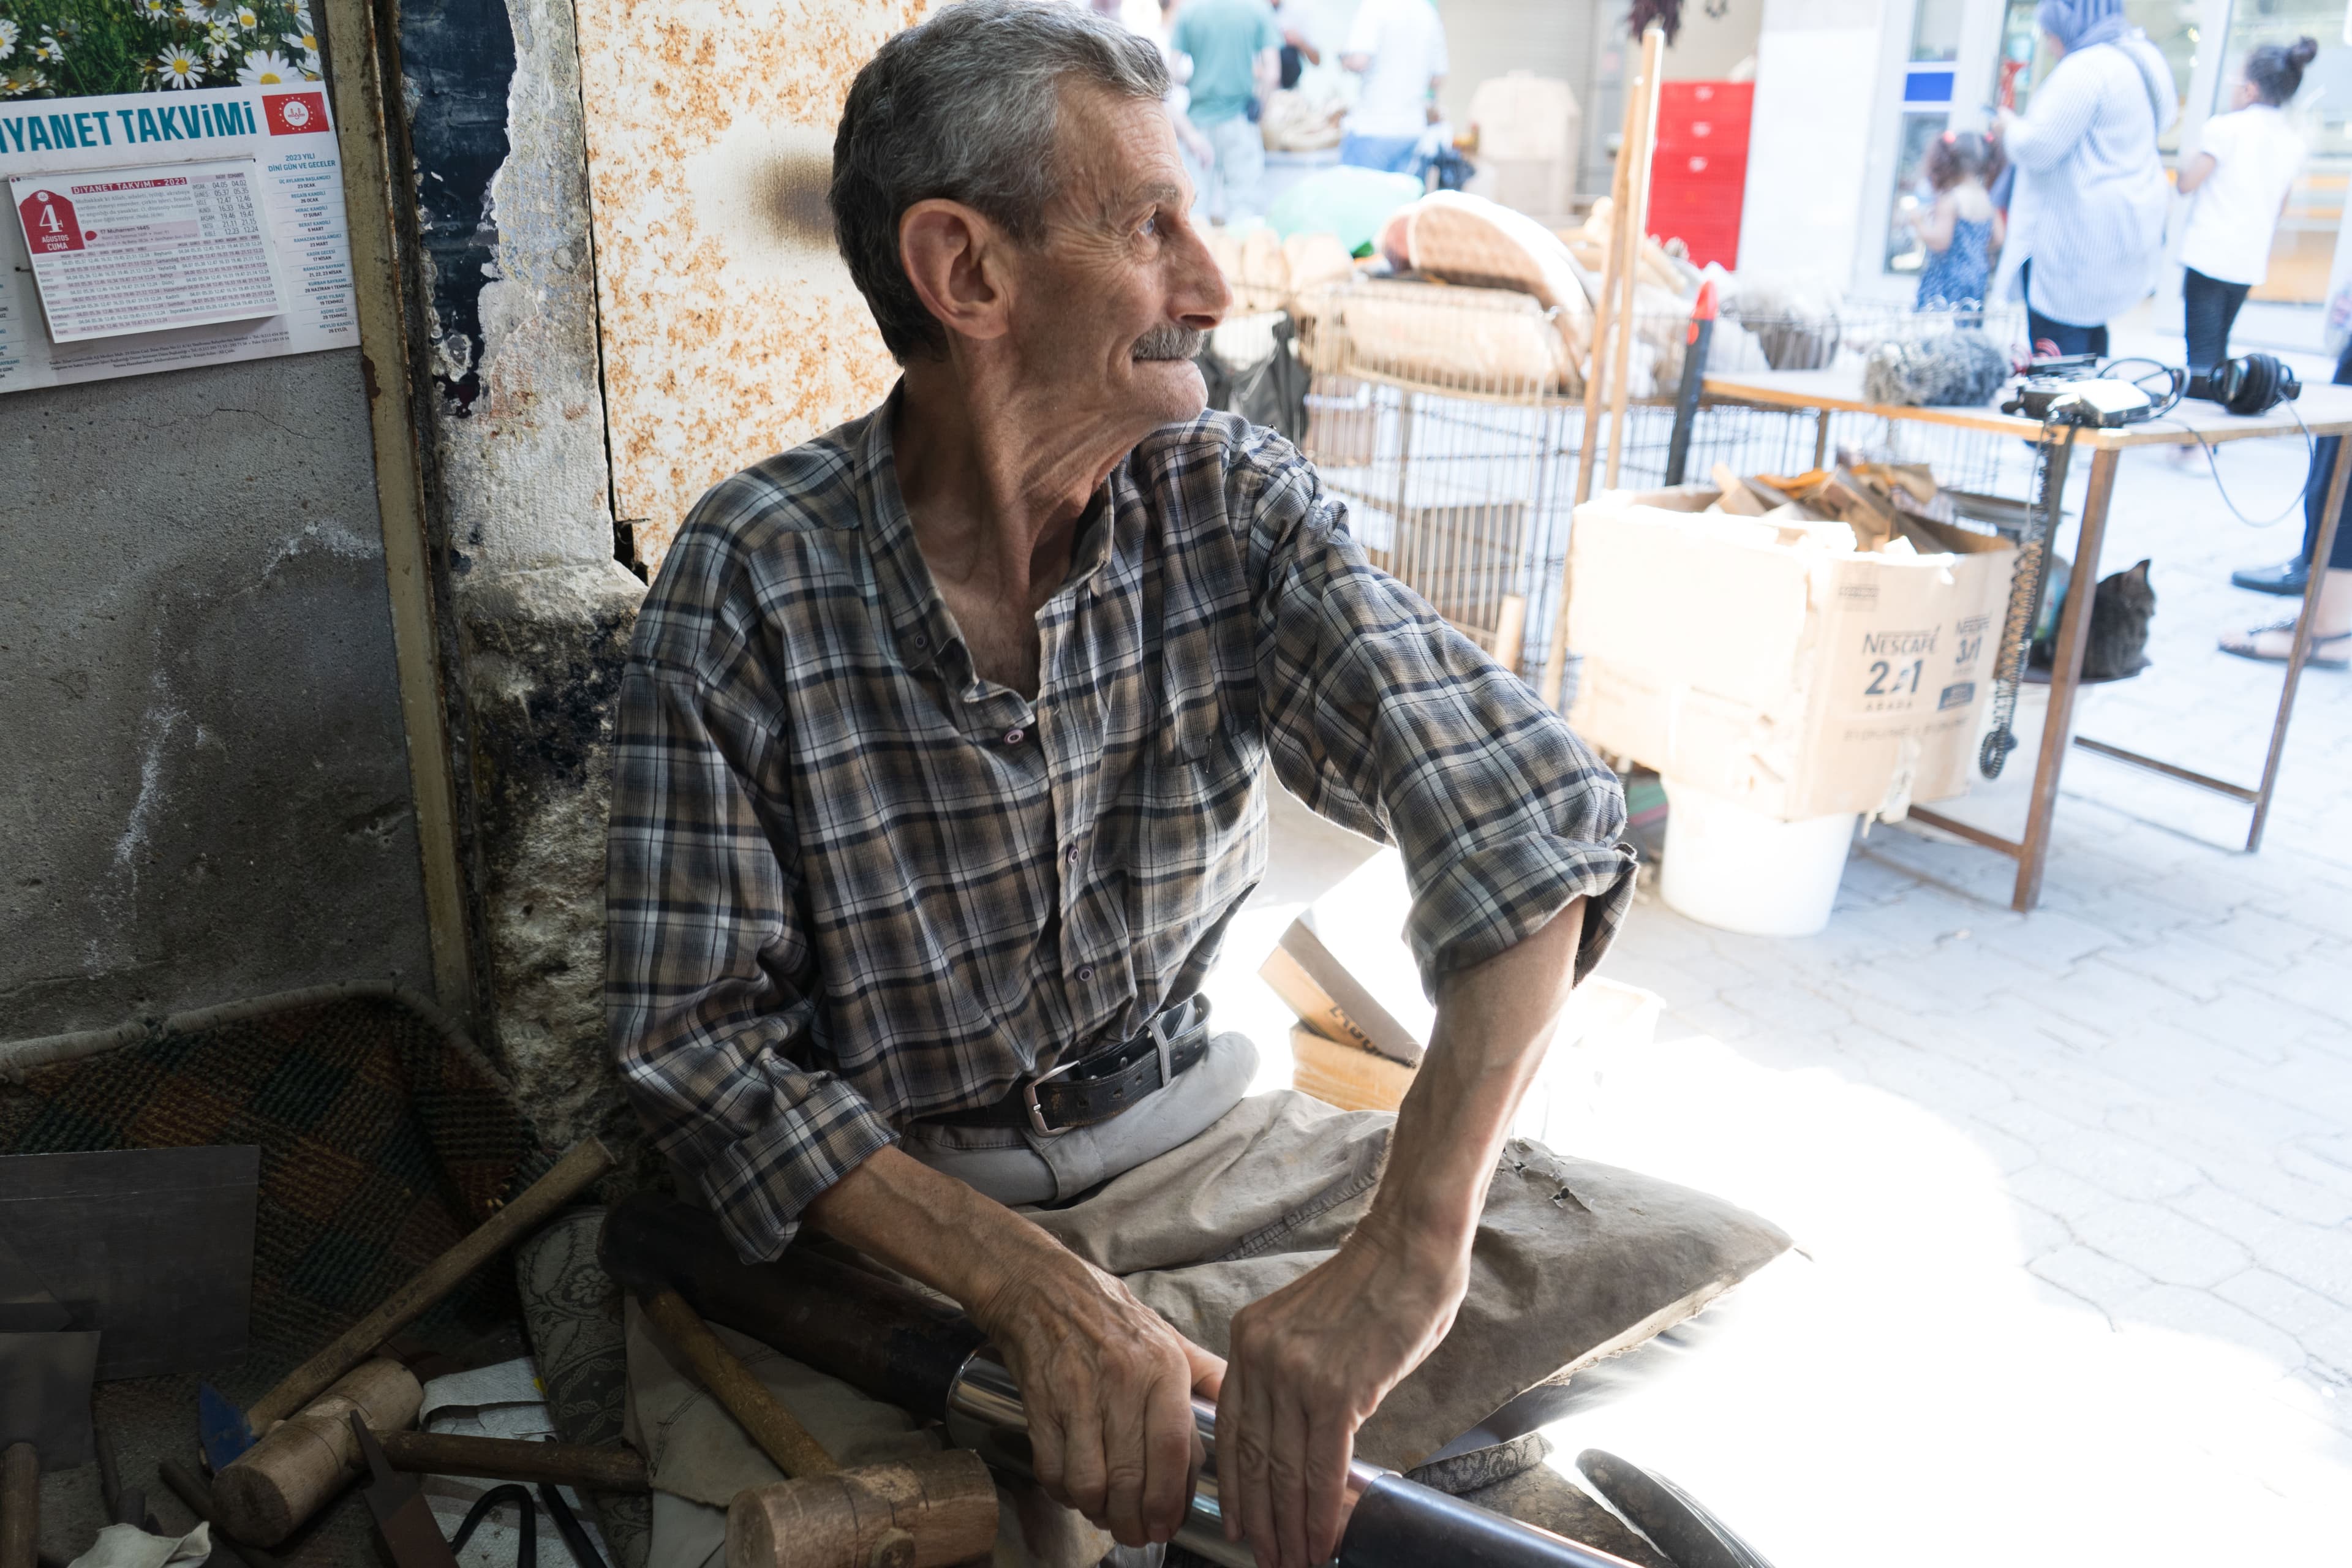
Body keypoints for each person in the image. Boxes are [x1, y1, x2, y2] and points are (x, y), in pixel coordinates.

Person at [607, 7, 1664, 1568]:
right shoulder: (752, 577)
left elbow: (1528, 824)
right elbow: (695, 1052)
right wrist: (1026, 1283)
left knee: (1645, 1263)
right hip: (905, 1233)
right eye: (1149, 226)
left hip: (1204, 1161)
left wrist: (1401, 1259)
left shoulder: (1223, 503)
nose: (1215, 285)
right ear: (966, 272)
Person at [1993, 0, 2176, 356]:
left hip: (2075, 236)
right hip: (2125, 225)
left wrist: (2009, 127)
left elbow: (2038, 147)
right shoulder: (2144, 56)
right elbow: (2167, 119)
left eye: (2051, 33)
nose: (2050, 44)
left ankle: (2062, 411)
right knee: (2092, 334)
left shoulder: (2087, 68)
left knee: (2060, 351)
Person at [2176, 37, 2315, 371]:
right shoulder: (2292, 142)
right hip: (2247, 260)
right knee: (2218, 349)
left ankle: (2200, 410)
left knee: (2201, 359)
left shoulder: (2226, 129)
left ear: (2250, 90)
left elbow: (2186, 183)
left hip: (2209, 256)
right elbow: (2280, 207)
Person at [1169, 0, 1280, 223]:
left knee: (1193, 215)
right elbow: (1272, 75)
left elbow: (1168, 78)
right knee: (1245, 214)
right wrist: (1259, 109)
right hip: (1241, 123)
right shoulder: (1258, 10)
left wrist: (1188, 131)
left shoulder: (1189, 12)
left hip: (1198, 128)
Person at [1338, 0, 1447, 173]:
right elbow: (1437, 79)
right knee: (1403, 198)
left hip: (1374, 126)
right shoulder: (1427, 12)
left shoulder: (1375, 6)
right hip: (1412, 130)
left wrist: (1344, 59)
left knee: (1361, 197)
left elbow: (1359, 61)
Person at [1910, 130, 2004, 310]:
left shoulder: (1951, 199)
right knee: (1967, 330)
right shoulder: (1988, 198)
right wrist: (1973, 248)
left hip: (1947, 276)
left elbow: (1941, 242)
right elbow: (1999, 238)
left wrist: (1919, 224)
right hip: (1978, 275)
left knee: (1938, 331)